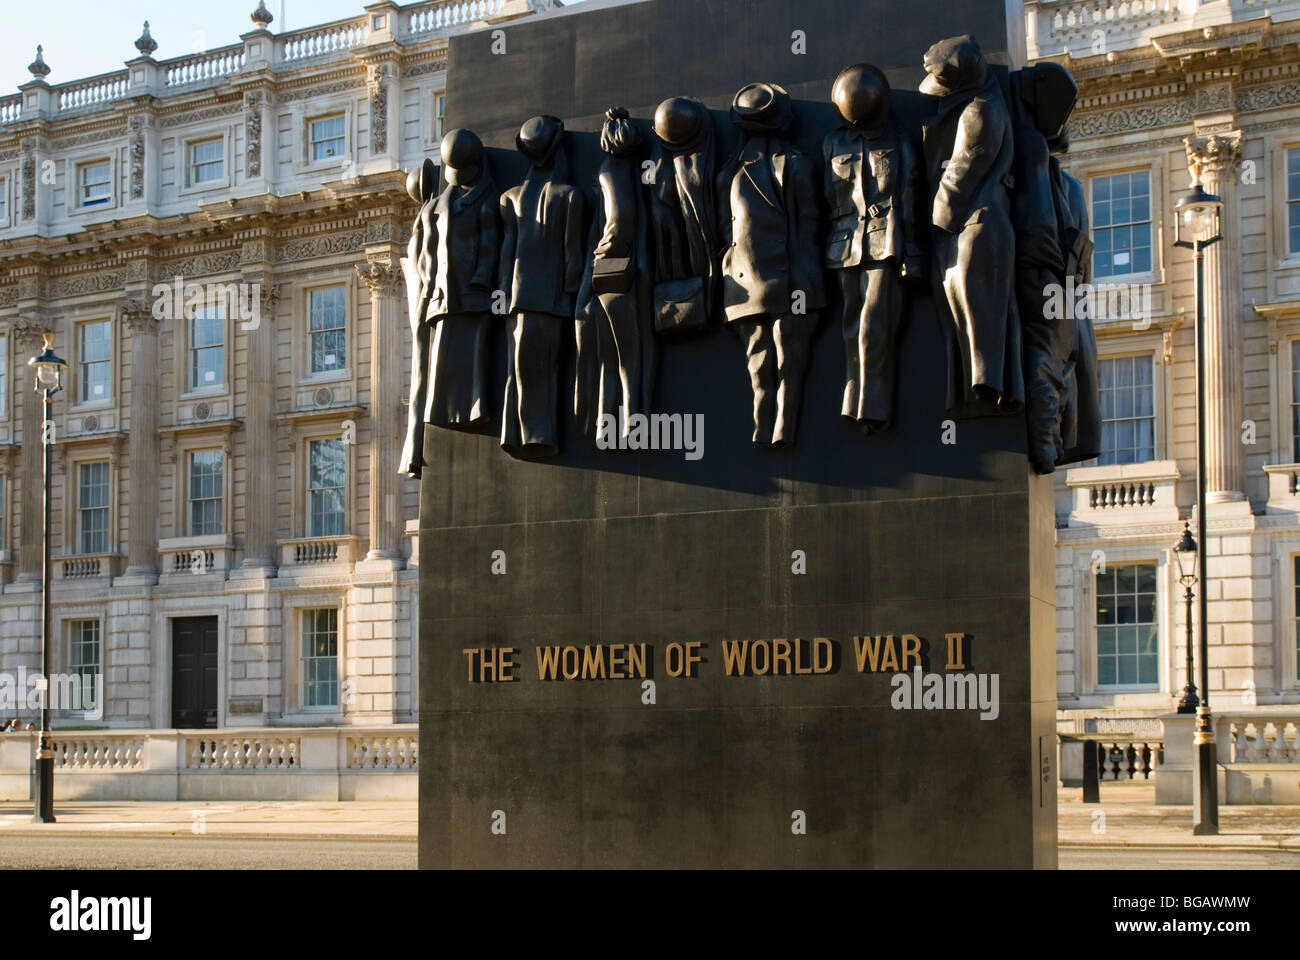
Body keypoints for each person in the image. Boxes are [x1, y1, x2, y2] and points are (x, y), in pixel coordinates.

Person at [717, 82, 825, 447]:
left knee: (771, 359)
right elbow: (808, 226)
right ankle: (771, 427)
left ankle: (775, 427)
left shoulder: (731, 173)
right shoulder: (791, 165)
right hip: (774, 281)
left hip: (762, 282)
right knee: (776, 360)